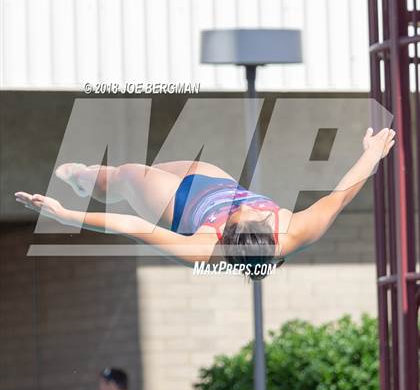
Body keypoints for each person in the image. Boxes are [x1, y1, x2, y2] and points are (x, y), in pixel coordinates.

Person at [15, 127, 395, 281]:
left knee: (127, 175)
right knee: (163, 167)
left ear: (223, 236)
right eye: (257, 211)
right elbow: (341, 194)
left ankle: (84, 179)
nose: (248, 207)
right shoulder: (296, 230)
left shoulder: (201, 248)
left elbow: (133, 227)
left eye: (238, 214)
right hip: (214, 182)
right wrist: (373, 153)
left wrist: (67, 214)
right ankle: (95, 179)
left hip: (178, 206)